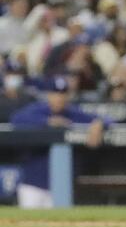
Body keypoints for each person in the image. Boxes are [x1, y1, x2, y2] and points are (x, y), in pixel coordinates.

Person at [10, 77, 103, 208]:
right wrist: (47, 122)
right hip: (32, 184)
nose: (59, 98)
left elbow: (107, 119)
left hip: (61, 186)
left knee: (59, 224)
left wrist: (99, 124)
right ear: (48, 94)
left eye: (62, 94)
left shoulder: (72, 113)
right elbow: (16, 119)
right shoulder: (36, 111)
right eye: (55, 93)